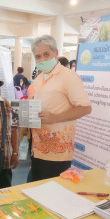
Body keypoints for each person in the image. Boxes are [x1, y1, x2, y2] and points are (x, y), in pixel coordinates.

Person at [30, 35, 91, 181]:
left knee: (53, 195)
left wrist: (56, 118)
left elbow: (85, 108)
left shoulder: (69, 77)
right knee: (38, 191)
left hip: (58, 152)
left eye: (46, 54)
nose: (42, 60)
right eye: (38, 56)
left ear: (55, 53)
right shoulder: (38, 79)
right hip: (37, 148)